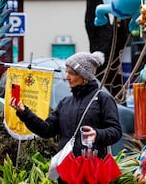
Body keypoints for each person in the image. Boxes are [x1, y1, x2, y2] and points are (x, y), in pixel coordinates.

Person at [10, 51, 122, 183]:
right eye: (66, 72)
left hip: (92, 172)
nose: (66, 77)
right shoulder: (65, 102)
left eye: (71, 73)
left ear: (84, 76)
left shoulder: (103, 99)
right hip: (67, 171)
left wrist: (97, 134)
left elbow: (115, 131)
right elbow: (47, 130)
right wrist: (24, 112)